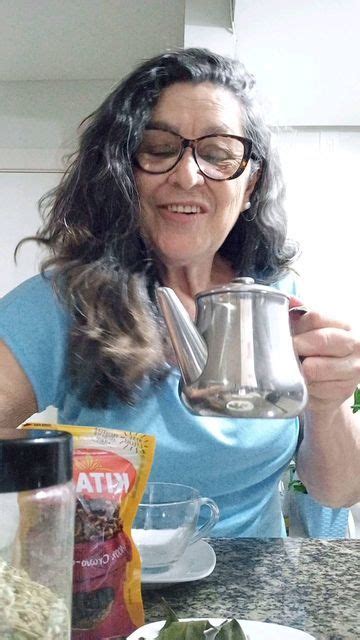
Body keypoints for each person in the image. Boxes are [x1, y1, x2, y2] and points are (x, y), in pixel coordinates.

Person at [0, 48, 359, 537]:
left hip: (254, 600)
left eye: (217, 155)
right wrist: (46, 506)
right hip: (116, 592)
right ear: (125, 169)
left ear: (250, 184)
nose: (187, 175)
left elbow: (336, 492)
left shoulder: (277, 297)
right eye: (159, 147)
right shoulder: (65, 303)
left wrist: (328, 404)